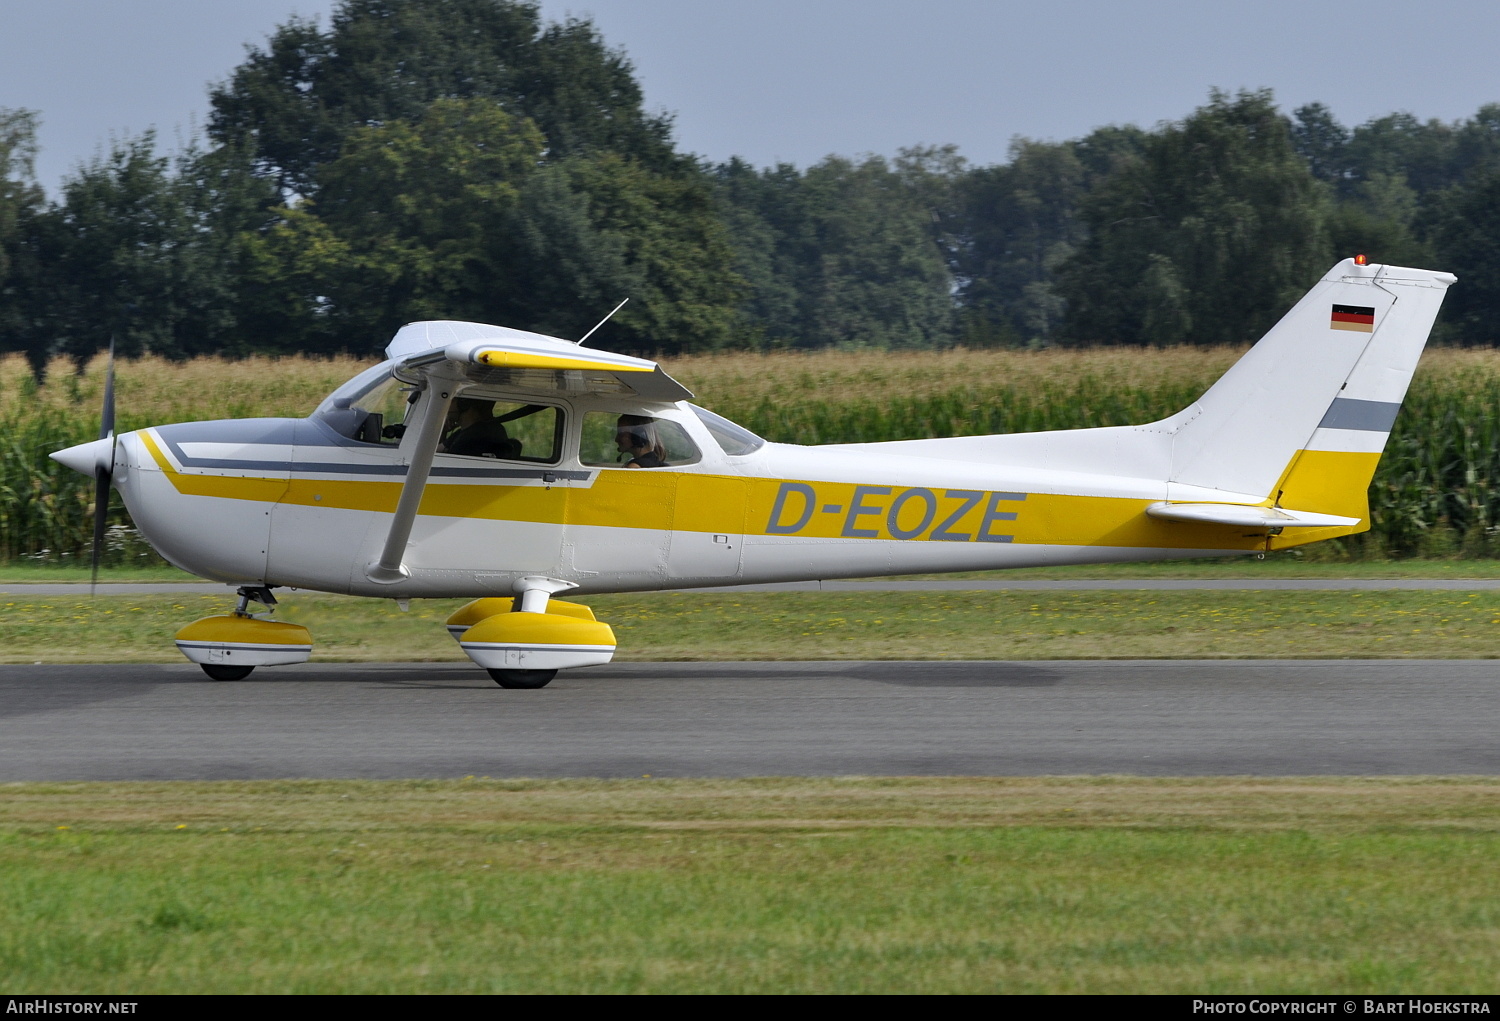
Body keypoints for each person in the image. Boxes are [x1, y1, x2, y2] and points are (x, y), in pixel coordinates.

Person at [440, 398, 520, 458]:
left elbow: (435, 456)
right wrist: (442, 430)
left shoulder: (472, 437)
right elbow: (438, 449)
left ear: (464, 405)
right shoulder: (467, 431)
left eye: (452, 400)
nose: (447, 405)